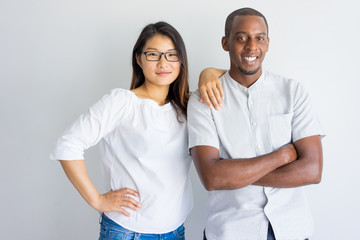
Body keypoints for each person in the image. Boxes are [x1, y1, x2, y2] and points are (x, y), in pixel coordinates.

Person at [50, 21, 218, 240]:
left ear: (181, 61)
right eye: (153, 55)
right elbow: (67, 145)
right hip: (127, 232)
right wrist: (97, 200)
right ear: (138, 58)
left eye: (171, 55)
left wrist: (209, 72)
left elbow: (238, 76)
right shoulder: (122, 102)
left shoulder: (188, 107)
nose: (163, 63)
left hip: (175, 231)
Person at [188, 8, 325, 240]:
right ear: (225, 42)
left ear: (268, 43)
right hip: (231, 232)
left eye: (259, 38)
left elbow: (312, 171)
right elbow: (212, 178)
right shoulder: (203, 100)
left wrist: (235, 174)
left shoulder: (292, 92)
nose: (252, 47)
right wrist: (281, 157)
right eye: (241, 38)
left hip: (292, 229)